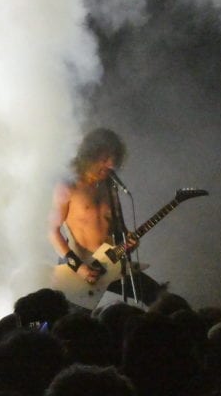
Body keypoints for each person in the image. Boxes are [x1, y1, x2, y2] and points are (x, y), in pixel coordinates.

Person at [49, 128, 159, 305]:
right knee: (73, 322)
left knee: (158, 295)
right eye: (105, 159)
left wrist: (128, 241)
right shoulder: (68, 185)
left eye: (113, 159)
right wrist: (78, 267)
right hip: (79, 264)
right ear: (89, 156)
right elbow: (52, 231)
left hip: (110, 263)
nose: (110, 165)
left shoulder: (110, 185)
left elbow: (119, 227)